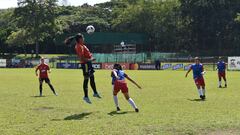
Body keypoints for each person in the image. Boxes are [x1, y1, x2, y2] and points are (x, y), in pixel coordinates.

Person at [65, 33, 100, 104]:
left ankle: (95, 93)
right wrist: (90, 59)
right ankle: (86, 96)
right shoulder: (78, 46)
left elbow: (86, 55)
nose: (83, 39)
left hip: (88, 64)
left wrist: (90, 57)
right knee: (86, 79)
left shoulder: (82, 45)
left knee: (92, 77)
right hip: (85, 64)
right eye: (82, 38)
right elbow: (82, 58)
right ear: (79, 39)